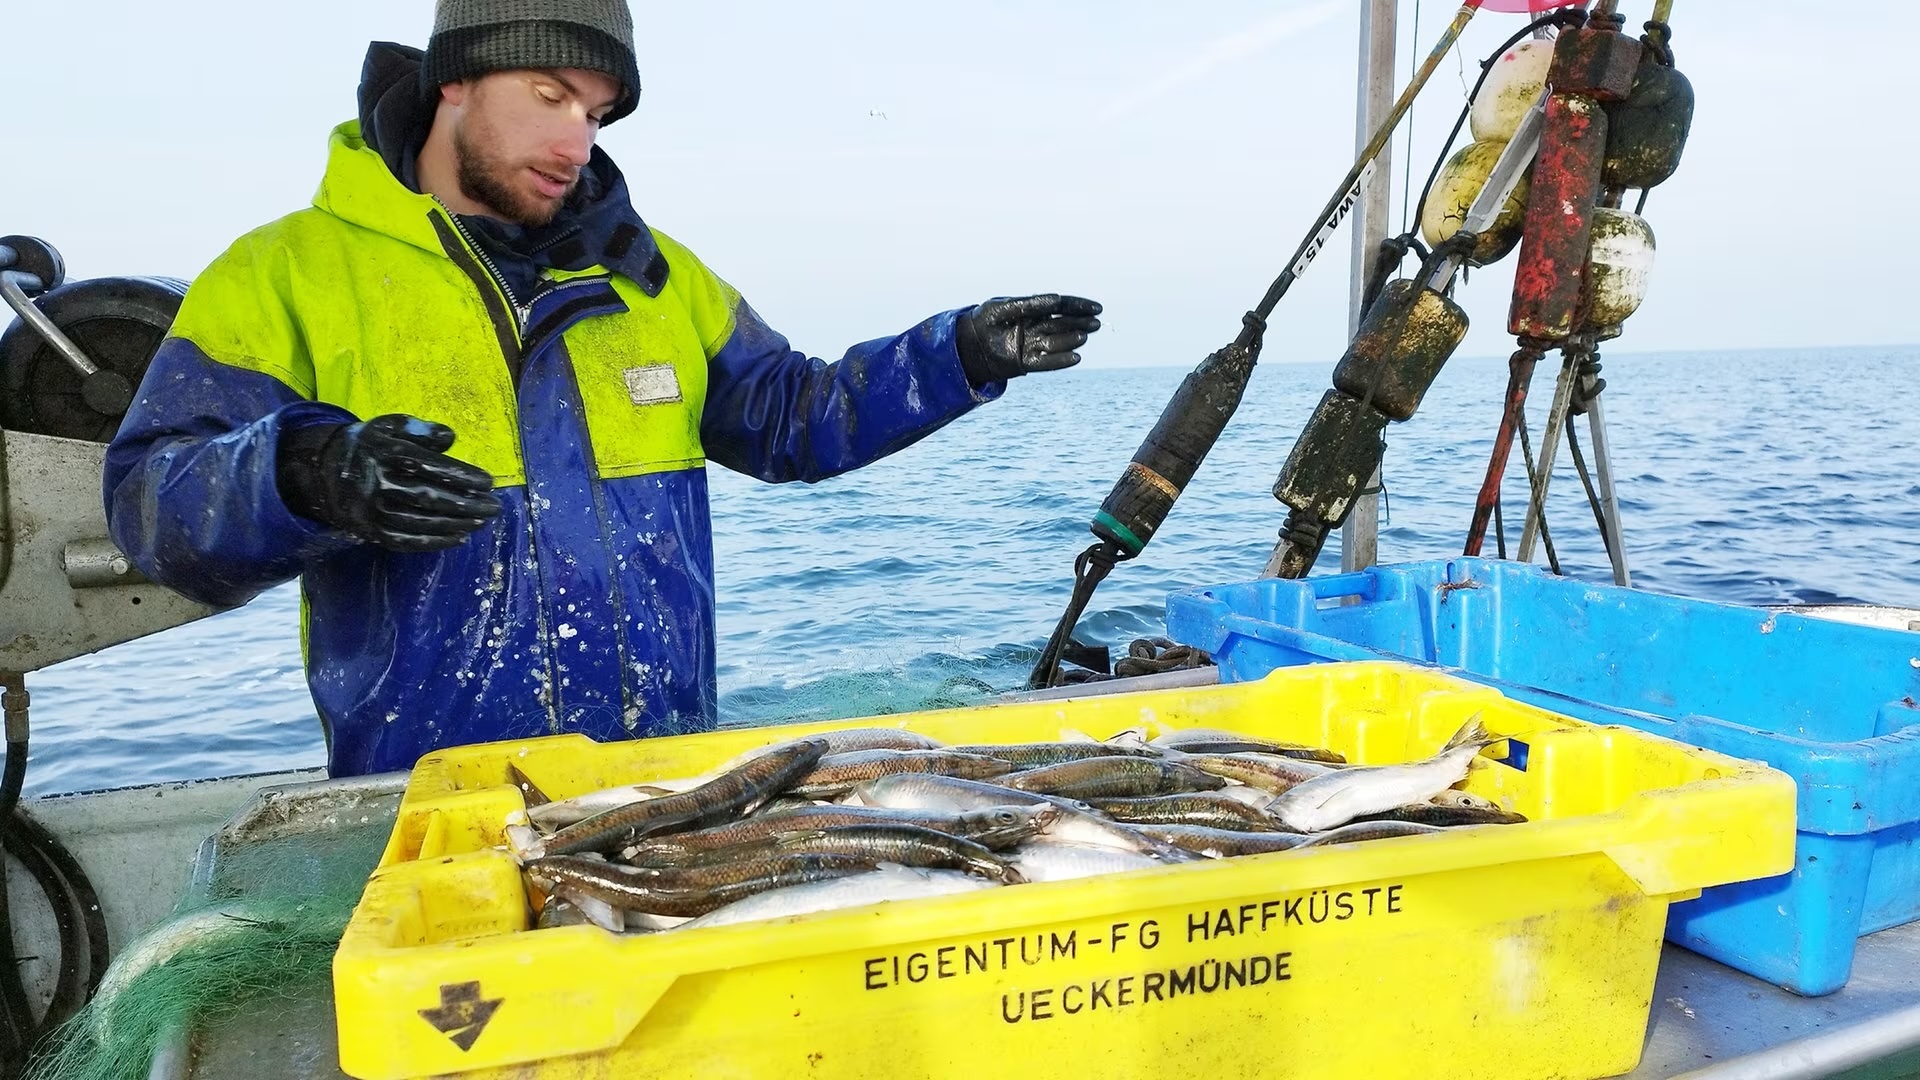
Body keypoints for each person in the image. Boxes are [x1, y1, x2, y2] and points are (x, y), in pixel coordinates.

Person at [102, 0, 1102, 777]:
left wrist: (958, 353)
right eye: (548, 95)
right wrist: (305, 471)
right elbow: (154, 500)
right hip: (424, 804)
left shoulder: (655, 275)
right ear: (455, 81)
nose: (577, 141)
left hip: (658, 782)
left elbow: (795, 416)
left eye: (596, 111)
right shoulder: (286, 272)